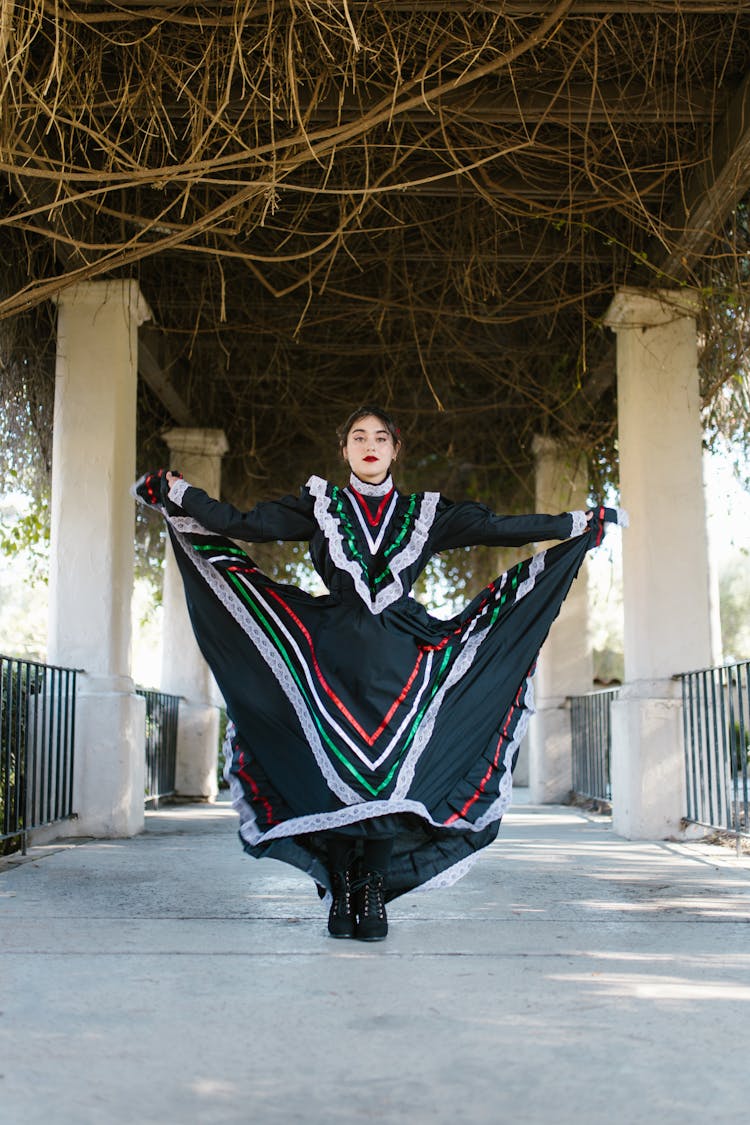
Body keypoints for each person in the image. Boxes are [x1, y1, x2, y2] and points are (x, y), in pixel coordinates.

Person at [134, 406, 623, 942]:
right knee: (336, 783)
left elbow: (498, 529)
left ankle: (372, 892)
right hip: (327, 659)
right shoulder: (320, 505)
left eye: (381, 437)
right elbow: (241, 523)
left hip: (403, 660)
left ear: (395, 450)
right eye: (358, 437)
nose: (370, 445)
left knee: (392, 780)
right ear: (344, 450)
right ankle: (341, 894)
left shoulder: (424, 512)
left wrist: (579, 524)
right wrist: (178, 494)